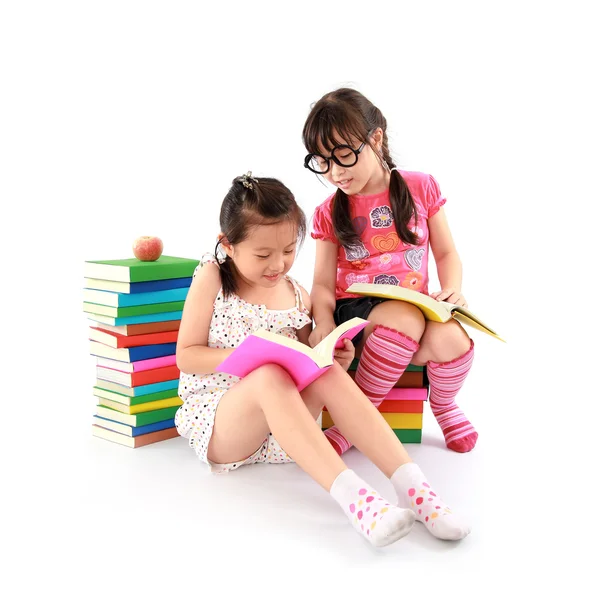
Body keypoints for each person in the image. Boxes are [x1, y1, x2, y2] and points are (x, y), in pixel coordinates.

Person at [175, 172, 470, 546]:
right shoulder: (213, 276)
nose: (277, 265)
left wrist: (333, 355)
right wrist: (248, 358)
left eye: (287, 251)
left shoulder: (298, 295)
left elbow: (305, 363)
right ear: (228, 245)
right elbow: (186, 356)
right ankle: (360, 503)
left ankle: (418, 492)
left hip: (289, 432)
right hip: (224, 427)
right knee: (267, 373)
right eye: (263, 255)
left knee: (325, 369)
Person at [303, 87, 477, 454]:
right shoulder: (328, 212)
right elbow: (321, 283)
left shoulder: (420, 187)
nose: (334, 172)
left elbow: (446, 253)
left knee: (453, 340)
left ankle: (444, 405)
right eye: (322, 162)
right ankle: (358, 419)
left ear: (376, 138)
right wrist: (323, 322)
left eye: (344, 155)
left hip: (413, 311)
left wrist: (453, 290)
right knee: (404, 318)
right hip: (359, 316)